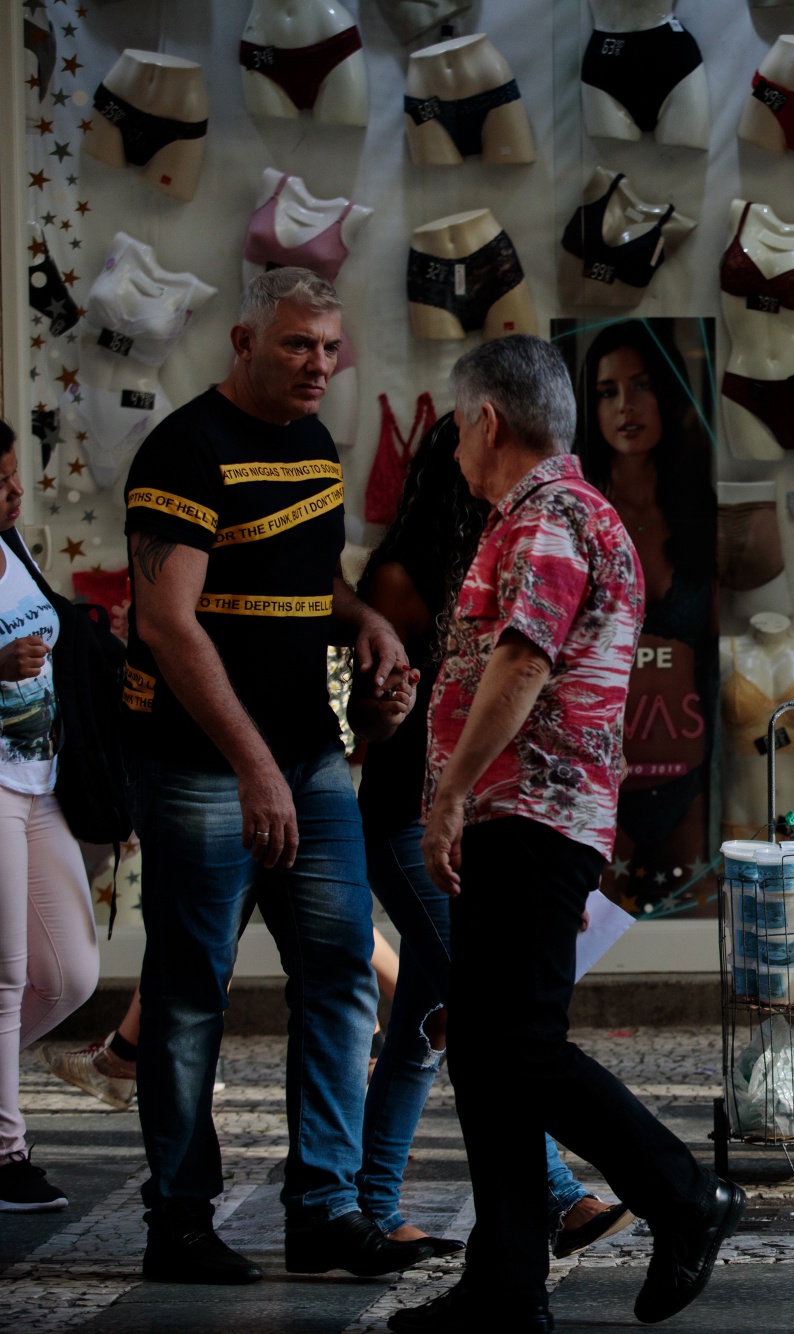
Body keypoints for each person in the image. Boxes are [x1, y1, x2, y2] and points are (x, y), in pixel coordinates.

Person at [389, 336, 734, 1334]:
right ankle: (505, 1286)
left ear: (487, 419)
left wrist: (449, 792)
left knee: (514, 1043)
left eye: (457, 424)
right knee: (489, 1053)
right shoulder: (562, 515)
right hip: (523, 817)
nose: (455, 443)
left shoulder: (549, 519)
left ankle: (682, 1195)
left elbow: (522, 664)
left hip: (527, 817)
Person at [120, 267, 427, 1283]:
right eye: (298, 345)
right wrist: (254, 765)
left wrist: (369, 621)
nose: (318, 366)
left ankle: (324, 1208)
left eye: (331, 348)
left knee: (341, 978)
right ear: (243, 340)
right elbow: (166, 620)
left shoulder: (314, 445)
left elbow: (313, 584)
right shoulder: (185, 448)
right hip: (207, 769)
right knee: (187, 993)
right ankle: (178, 1219)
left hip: (310, 760)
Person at [350, 409, 634, 1260]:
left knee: (431, 1018)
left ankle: (373, 1198)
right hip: (413, 813)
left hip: (482, 814)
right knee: (480, 1015)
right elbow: (376, 708)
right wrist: (397, 719)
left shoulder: (526, 543)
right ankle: (556, 1197)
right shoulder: (407, 575)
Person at [575, 321, 717, 914]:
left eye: (641, 387)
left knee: (692, 930)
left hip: (690, 767)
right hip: (596, 768)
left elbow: (714, 646)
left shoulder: (698, 509)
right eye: (608, 392)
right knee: (604, 937)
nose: (626, 407)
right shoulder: (578, 507)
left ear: (669, 394)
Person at [0, 420, 99, 1211]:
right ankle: (4, 1151)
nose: (13, 492)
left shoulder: (13, 547)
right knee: (5, 973)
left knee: (69, 974)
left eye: (13, 474)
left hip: (42, 780)